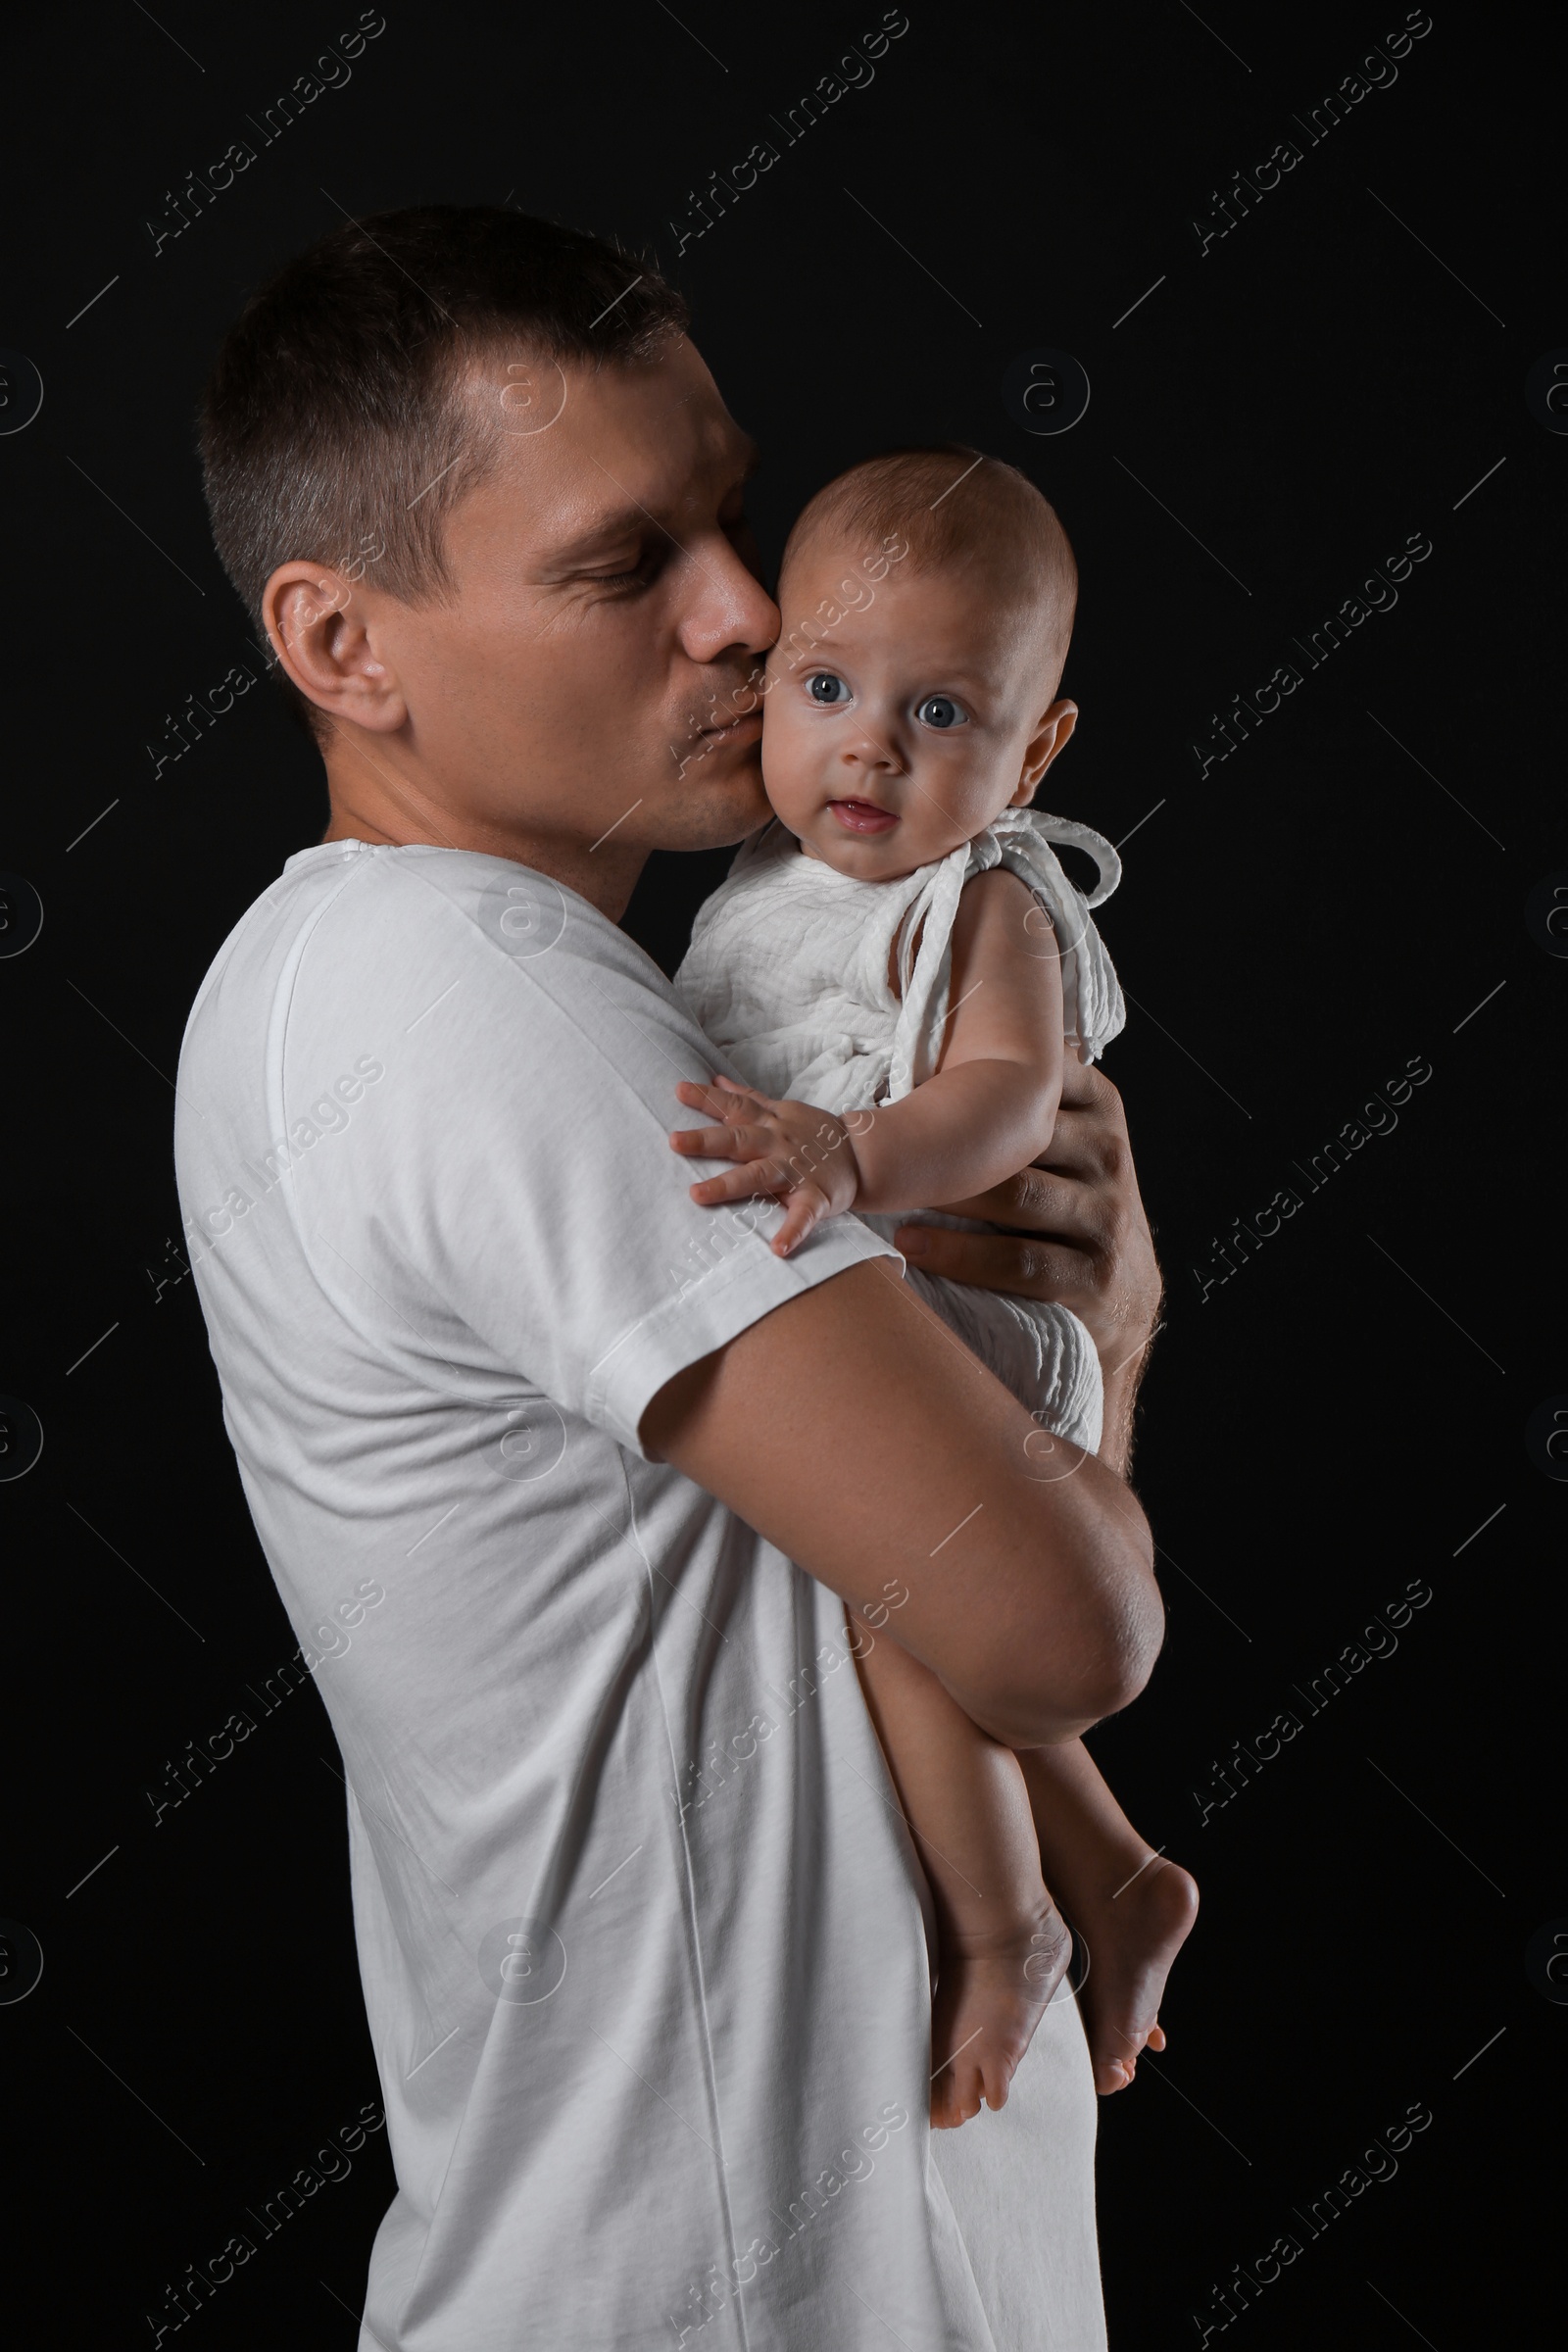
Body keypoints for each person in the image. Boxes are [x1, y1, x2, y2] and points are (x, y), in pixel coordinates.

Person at [176, 205, 1167, 2352]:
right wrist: (1106, 1334)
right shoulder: (477, 995)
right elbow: (1057, 1624)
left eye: (727, 513)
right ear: (342, 647)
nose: (746, 608)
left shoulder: (524, 994)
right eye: (627, 565)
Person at [670, 447, 1198, 2128]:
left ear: (1034, 751)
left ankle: (999, 1925)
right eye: (827, 686)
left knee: (888, 1585)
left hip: (984, 1312)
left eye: (945, 714)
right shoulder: (767, 878)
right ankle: (1117, 1868)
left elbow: (1006, 1102)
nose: (872, 746)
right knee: (919, 1588)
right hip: (878, 1285)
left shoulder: (982, 905)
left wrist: (854, 1157)